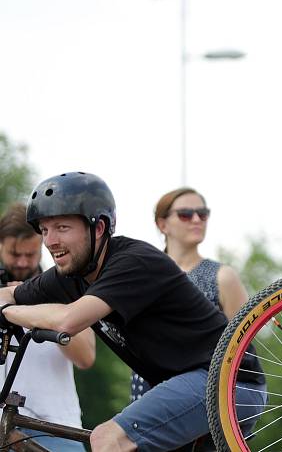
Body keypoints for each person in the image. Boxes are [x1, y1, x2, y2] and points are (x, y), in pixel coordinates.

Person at [0, 172, 266, 451]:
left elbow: (69, 320)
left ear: (99, 227)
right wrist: (6, 301)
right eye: (44, 230)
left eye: (62, 228)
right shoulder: (71, 273)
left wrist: (8, 312)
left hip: (226, 380)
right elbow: (10, 293)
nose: (50, 240)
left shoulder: (131, 262)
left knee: (108, 438)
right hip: (182, 384)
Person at [130, 187, 249, 402]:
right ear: (162, 224)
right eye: (185, 214)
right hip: (147, 390)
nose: (196, 219)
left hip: (203, 397)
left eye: (202, 214)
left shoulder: (222, 277)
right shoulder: (142, 275)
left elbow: (244, 347)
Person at [0, 203, 95, 452]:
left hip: (55, 428)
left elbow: (86, 357)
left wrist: (35, 309)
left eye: (30, 255)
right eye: (13, 253)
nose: (22, 262)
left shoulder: (66, 286)